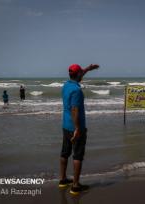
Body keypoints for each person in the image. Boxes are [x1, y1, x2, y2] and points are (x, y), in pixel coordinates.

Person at [59, 64, 99, 195]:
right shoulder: (77, 91)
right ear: (77, 75)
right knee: (78, 155)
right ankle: (75, 186)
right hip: (76, 128)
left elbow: (79, 74)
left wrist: (88, 68)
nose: (82, 74)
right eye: (81, 72)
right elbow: (75, 110)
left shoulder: (66, 85)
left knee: (65, 152)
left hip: (65, 125)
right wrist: (77, 129)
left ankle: (63, 179)